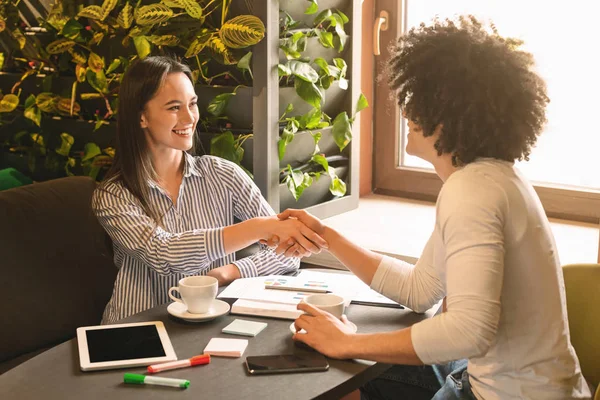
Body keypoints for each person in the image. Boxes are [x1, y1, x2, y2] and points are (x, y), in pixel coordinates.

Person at [276, 16, 591, 400]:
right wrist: (326, 237)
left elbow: (468, 331)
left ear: (448, 113)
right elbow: (420, 289)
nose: (406, 111)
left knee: (343, 377)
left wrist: (348, 343)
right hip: (506, 383)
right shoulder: (490, 179)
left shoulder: (472, 192)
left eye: (418, 99)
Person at [92, 56, 326, 324]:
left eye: (192, 104)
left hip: (207, 329)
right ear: (142, 117)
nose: (189, 117)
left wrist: (230, 271)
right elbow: (164, 254)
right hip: (136, 332)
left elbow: (285, 256)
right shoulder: (112, 196)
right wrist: (260, 227)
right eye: (173, 107)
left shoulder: (223, 175)